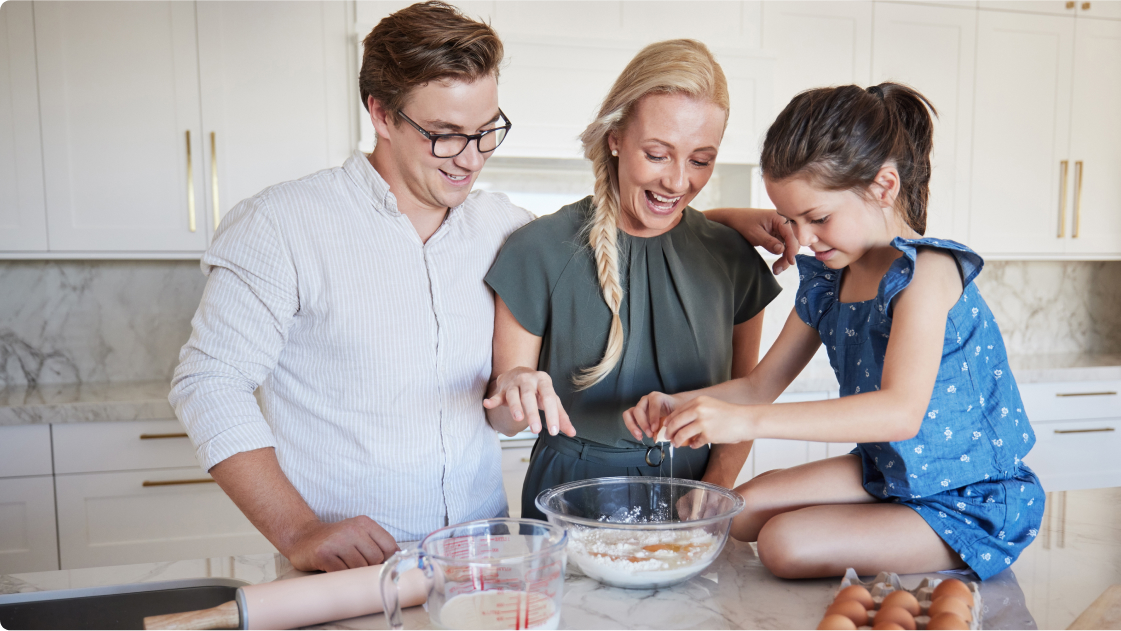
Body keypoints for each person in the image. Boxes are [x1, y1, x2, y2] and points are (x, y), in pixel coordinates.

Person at [171, 3, 799, 573]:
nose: (471, 158)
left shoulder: (501, 226)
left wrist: (724, 222)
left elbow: (624, 235)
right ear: (382, 114)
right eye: (445, 133)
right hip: (347, 561)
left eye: (487, 131)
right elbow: (208, 383)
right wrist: (299, 529)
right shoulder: (279, 226)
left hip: (485, 553)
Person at [624, 83, 1046, 581]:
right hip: (887, 474)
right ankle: (886, 527)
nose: (802, 238)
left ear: (883, 187)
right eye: (791, 220)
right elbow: (760, 387)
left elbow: (899, 414)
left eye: (818, 218)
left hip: (968, 494)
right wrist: (680, 402)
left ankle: (926, 533)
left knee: (784, 544)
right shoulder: (829, 281)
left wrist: (748, 423)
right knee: (738, 511)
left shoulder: (928, 273)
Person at [483, 39, 782, 521]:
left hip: (694, 499)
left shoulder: (731, 258)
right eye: (658, 154)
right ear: (615, 137)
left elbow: (746, 400)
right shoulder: (537, 250)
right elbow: (502, 418)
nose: (678, 181)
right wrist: (515, 388)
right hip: (569, 498)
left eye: (701, 160)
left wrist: (713, 490)